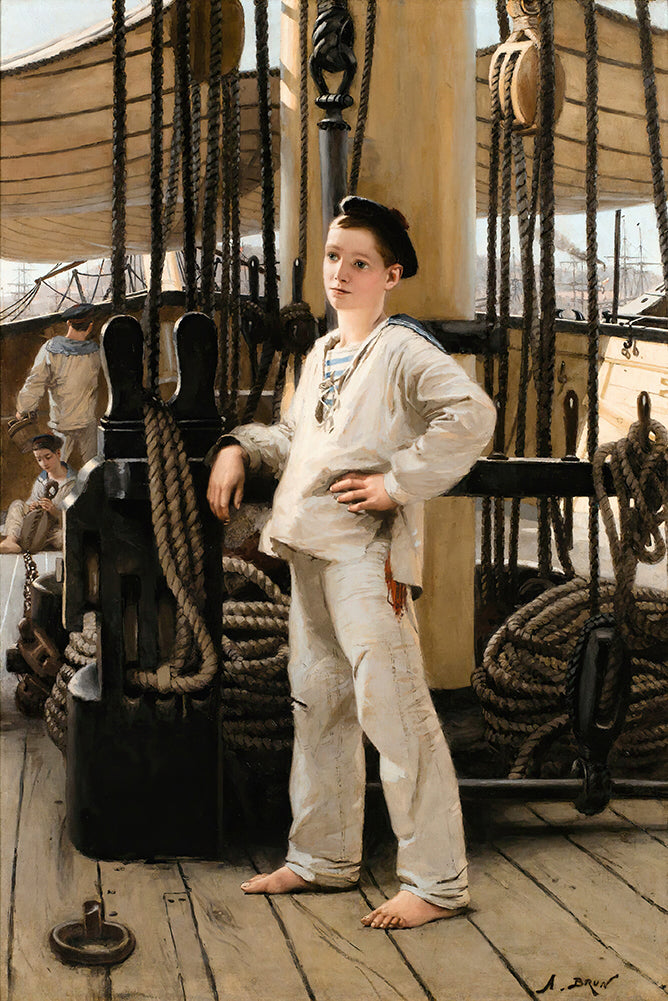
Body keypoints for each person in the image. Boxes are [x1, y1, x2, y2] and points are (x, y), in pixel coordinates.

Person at [207, 196, 496, 929]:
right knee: (319, 705)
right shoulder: (324, 352)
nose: (339, 273)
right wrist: (239, 447)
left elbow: (472, 416)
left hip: (368, 556)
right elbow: (297, 436)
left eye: (359, 263)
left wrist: (395, 483)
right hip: (309, 546)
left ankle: (436, 881)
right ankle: (321, 858)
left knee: (393, 711)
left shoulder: (401, 348)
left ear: (390, 276)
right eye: (334, 257)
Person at [15, 302, 101, 466]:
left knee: (56, 470)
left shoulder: (50, 349)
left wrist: (23, 409)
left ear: (68, 323)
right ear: (90, 326)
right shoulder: (96, 352)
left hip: (61, 424)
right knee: (93, 469)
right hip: (87, 423)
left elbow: (35, 382)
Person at [0, 434, 76, 553]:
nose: (44, 463)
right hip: (38, 522)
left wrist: (55, 512)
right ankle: (11, 540)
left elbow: (75, 517)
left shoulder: (72, 482)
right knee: (17, 504)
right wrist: (33, 506)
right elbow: (32, 501)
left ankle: (32, 541)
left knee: (65, 537)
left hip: (55, 527)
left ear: (58, 453)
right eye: (39, 460)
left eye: (48, 457)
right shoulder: (42, 479)